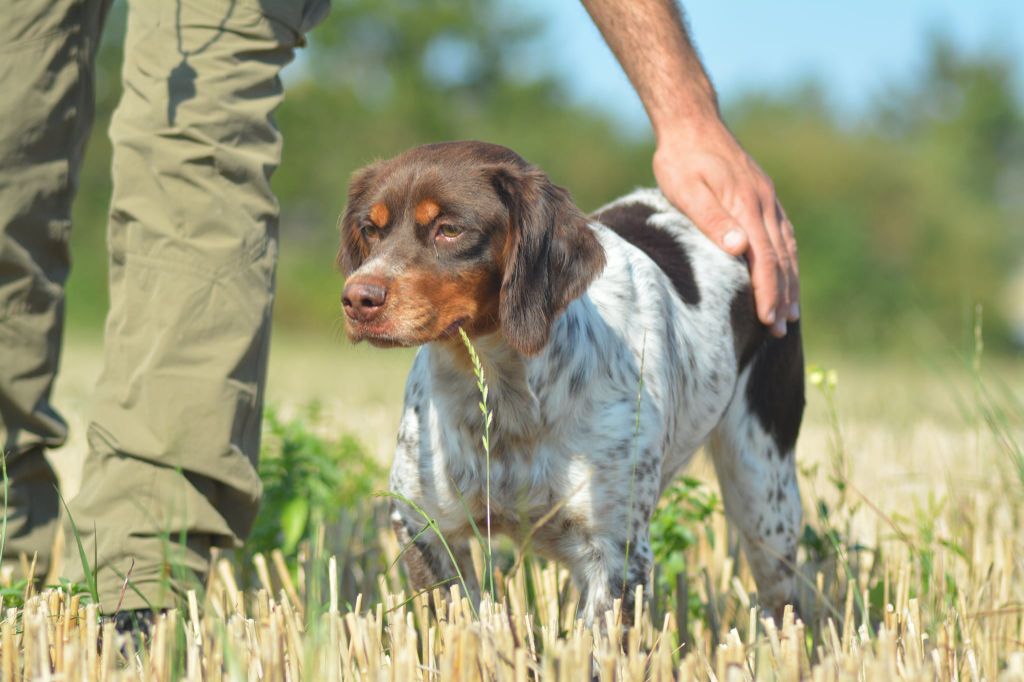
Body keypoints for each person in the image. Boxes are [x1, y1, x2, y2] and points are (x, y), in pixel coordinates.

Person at [0, 0, 799, 617]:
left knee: (194, 154)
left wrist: (686, 112)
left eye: (444, 233)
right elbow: (418, 529)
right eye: (370, 242)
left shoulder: (599, 339)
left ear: (534, 259)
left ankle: (138, 578)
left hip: (708, 332)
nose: (370, 281)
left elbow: (618, 580)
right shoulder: (422, 356)